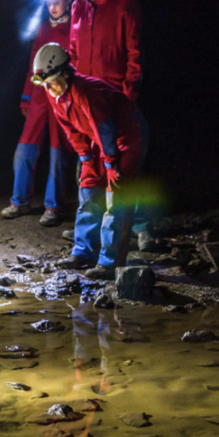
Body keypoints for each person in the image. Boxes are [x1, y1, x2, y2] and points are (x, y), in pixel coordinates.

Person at [30, 43, 145, 279]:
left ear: (65, 73)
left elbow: (105, 128)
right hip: (99, 139)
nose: (47, 88)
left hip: (127, 135)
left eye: (50, 82)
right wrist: (86, 157)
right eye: (44, 83)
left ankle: (110, 262)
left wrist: (111, 165)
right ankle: (84, 252)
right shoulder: (55, 92)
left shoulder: (85, 91)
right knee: (88, 190)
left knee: (115, 197)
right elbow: (71, 129)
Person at [67, 0, 149, 231]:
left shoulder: (124, 5)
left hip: (115, 99)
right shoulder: (78, 7)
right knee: (89, 165)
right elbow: (73, 52)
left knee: (126, 164)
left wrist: (128, 96)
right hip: (87, 103)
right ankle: (91, 230)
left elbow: (134, 54)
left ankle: (140, 228)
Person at [1, 0, 74, 226]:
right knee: (25, 149)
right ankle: (19, 202)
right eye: (49, 3)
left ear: (67, 1)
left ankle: (52, 207)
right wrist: (27, 97)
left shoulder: (75, 27)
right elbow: (34, 64)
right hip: (41, 96)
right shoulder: (43, 28)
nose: (52, 7)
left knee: (58, 152)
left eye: (57, 2)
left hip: (62, 95)